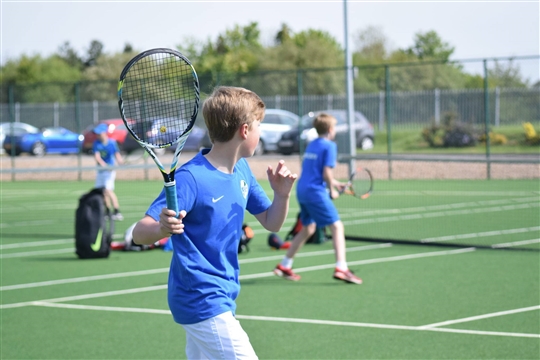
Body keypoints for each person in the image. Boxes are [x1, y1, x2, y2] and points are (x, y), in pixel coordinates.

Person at [132, 86, 297, 360]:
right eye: (259, 125)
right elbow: (139, 234)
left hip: (223, 293)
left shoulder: (241, 169)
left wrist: (282, 195)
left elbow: (271, 222)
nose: (260, 132)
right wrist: (161, 228)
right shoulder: (191, 178)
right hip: (200, 297)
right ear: (244, 131)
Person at [273, 112, 363, 284]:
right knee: (337, 226)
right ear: (330, 129)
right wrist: (332, 189)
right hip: (315, 191)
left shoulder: (312, 144)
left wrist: (335, 184)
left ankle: (285, 265)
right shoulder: (330, 146)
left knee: (309, 228)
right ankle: (342, 268)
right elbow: (326, 172)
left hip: (302, 190)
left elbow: (316, 172)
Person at [92, 123, 124, 221]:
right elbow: (97, 157)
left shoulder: (112, 143)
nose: (97, 135)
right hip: (101, 171)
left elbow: (117, 155)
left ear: (104, 133)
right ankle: (107, 212)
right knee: (103, 192)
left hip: (109, 171)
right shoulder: (96, 143)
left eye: (99, 133)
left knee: (108, 190)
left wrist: (120, 161)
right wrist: (104, 166)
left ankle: (117, 211)